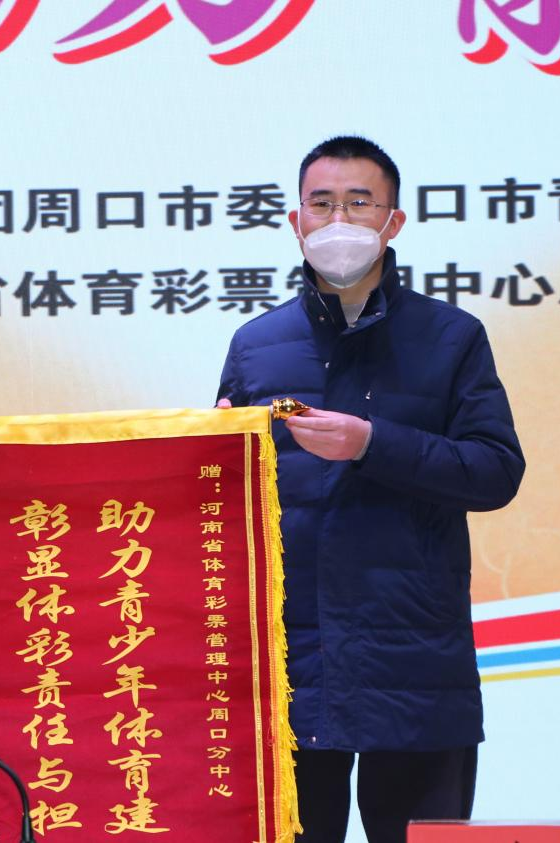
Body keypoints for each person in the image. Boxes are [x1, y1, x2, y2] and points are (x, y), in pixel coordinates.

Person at [216, 137, 524, 843]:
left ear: (393, 221)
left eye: (359, 203)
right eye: (321, 203)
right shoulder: (256, 344)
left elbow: (494, 471)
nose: (338, 220)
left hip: (414, 657)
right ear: (295, 221)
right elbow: (226, 496)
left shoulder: (451, 337)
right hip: (290, 661)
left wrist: (372, 443)